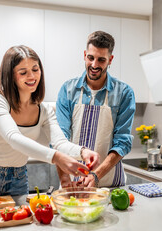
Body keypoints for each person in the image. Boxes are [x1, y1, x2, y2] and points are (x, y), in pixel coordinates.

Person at [0, 45, 99, 198]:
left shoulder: (44, 110)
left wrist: (83, 152)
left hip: (18, 176)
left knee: (20, 221)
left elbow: (60, 143)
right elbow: (13, 138)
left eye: (35, 69)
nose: (32, 76)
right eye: (23, 72)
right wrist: (56, 157)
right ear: (10, 76)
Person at [56, 31, 136, 188]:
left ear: (110, 60)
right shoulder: (68, 90)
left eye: (101, 60)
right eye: (91, 58)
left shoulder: (124, 93)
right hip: (73, 183)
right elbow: (60, 140)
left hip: (109, 184)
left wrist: (96, 176)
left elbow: (122, 143)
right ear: (85, 55)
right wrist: (66, 182)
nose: (94, 65)